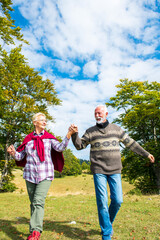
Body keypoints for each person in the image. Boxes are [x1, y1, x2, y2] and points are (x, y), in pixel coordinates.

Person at [70, 105, 155, 240]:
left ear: (106, 114)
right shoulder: (90, 131)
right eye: (95, 113)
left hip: (115, 170)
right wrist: (74, 134)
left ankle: (107, 223)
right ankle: (106, 233)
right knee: (102, 202)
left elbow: (131, 143)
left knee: (118, 200)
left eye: (99, 113)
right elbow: (80, 146)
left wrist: (146, 154)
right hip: (99, 170)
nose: (97, 115)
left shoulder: (116, 129)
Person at [7, 112, 76, 240]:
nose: (45, 122)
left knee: (38, 201)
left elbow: (60, 148)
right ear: (35, 122)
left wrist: (68, 134)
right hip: (29, 175)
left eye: (45, 120)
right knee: (33, 203)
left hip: (45, 174)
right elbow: (20, 156)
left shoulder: (49, 138)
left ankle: (35, 232)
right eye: (42, 120)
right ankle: (35, 229)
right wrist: (13, 153)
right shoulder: (28, 139)